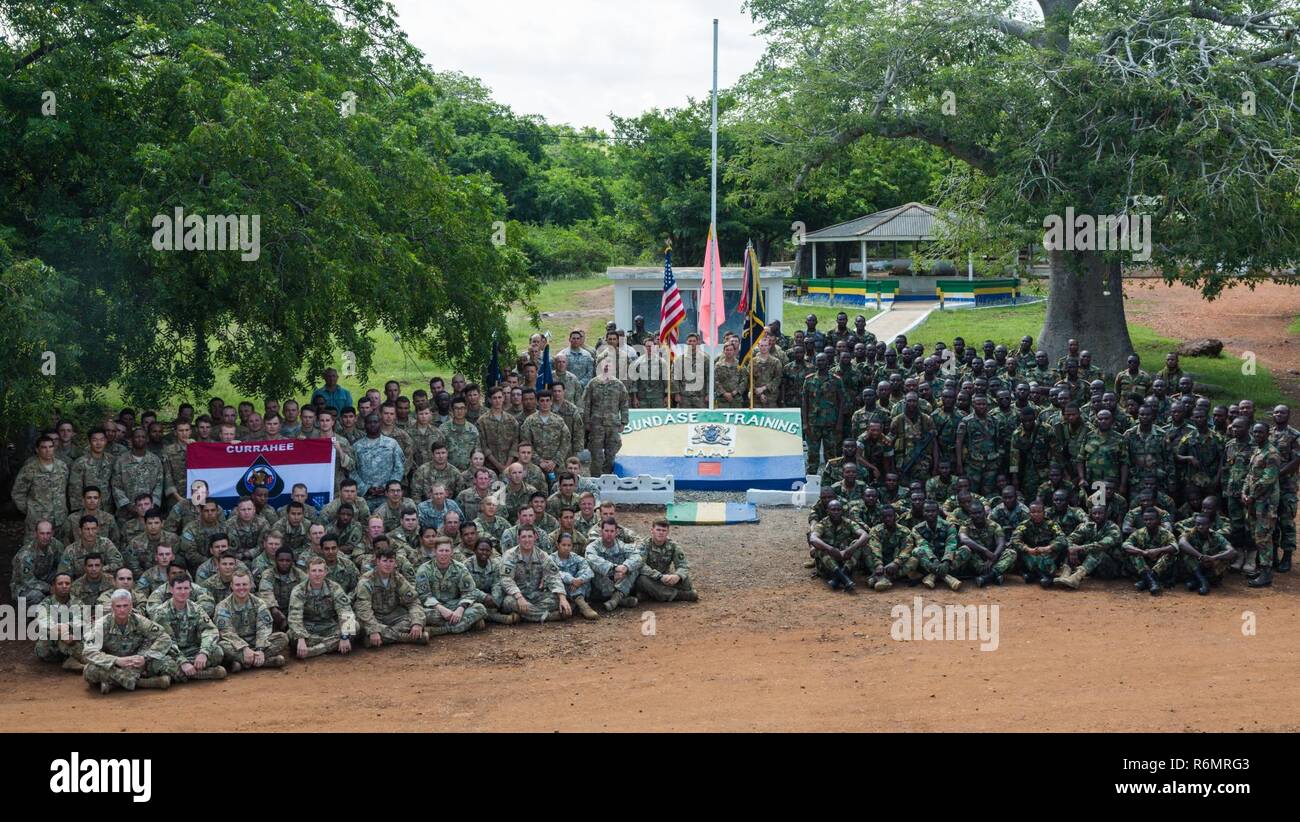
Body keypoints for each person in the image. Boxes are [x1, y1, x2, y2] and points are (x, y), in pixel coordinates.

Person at [83, 589, 179, 694]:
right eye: (118, 606)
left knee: (169, 664)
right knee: (90, 671)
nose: (122, 610)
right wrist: (116, 660)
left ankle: (113, 683)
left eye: (125, 606)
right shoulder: (101, 625)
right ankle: (145, 683)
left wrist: (145, 657)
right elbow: (88, 651)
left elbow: (164, 637)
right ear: (112, 607)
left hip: (137, 663)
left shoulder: (139, 620)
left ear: (131, 606)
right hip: (114, 665)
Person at [150, 572, 227, 682]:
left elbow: (210, 629)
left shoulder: (196, 609)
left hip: (192, 650)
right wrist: (182, 661)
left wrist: (203, 652)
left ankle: (179, 675)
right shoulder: (161, 613)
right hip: (170, 652)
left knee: (217, 651)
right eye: (179, 588)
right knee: (157, 661)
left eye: (186, 588)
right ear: (171, 590)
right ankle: (202, 673)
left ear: (190, 589)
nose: (183, 592)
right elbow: (166, 641)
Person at [215, 571, 289, 670]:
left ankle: (246, 663)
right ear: (232, 586)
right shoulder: (223, 606)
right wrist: (244, 648)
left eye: (244, 584)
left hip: (256, 642)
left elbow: (264, 628)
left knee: (282, 637)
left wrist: (260, 649)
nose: (241, 588)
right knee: (221, 645)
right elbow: (226, 632)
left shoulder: (259, 603)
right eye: (237, 585)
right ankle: (263, 661)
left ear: (250, 585)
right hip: (236, 645)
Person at [414, 536, 488, 635]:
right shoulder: (424, 570)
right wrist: (441, 609)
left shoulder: (460, 568)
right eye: (441, 550)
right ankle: (468, 623)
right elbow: (424, 595)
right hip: (434, 608)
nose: (444, 554)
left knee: (480, 608)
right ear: (435, 551)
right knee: (422, 614)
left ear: (452, 552)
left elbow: (470, 592)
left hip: (454, 605)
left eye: (447, 550)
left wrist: (460, 609)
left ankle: (439, 630)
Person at [354, 548, 428, 646]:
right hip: (374, 616)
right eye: (384, 561)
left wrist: (417, 623)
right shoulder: (366, 581)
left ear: (395, 563)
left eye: (391, 561)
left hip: (393, 615)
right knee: (359, 627)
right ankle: (408, 637)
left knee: (414, 619)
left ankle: (380, 638)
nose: (388, 564)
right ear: (378, 562)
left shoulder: (397, 578)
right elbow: (363, 609)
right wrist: (373, 630)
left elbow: (413, 601)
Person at [289, 556, 357, 658]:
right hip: (309, 629)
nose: (317, 574)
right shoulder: (298, 590)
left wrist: (344, 636)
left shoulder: (334, 587)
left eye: (320, 571)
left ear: (325, 572)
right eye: (313, 571)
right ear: (307, 572)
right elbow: (295, 617)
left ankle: (314, 651)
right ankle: (331, 645)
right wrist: (301, 638)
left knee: (355, 626)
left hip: (330, 627)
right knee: (290, 635)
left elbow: (345, 611)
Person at [499, 526, 570, 622]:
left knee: (556, 599)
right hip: (517, 595)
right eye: (523, 537)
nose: (527, 540)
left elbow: (554, 576)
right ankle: (548, 617)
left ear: (535, 537)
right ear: (518, 538)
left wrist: (562, 597)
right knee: (508, 602)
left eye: (530, 536)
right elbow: (506, 579)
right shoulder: (510, 555)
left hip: (535, 595)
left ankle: (525, 615)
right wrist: (519, 597)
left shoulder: (542, 555)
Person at [11, 434, 71, 536]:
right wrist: (30, 511)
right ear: (37, 450)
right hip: (37, 521)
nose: (48, 450)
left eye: (50, 447)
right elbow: (17, 493)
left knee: (58, 548)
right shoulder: (29, 469)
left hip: (60, 519)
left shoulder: (62, 466)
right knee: (35, 549)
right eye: (44, 447)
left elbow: (66, 489)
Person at [582, 355, 630, 476]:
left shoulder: (619, 385)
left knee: (611, 454)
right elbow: (586, 404)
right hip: (596, 425)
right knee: (596, 455)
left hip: (613, 425)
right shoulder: (592, 384)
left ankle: (608, 478)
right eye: (604, 364)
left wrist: (624, 422)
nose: (607, 366)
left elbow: (624, 404)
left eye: (610, 364)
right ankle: (595, 479)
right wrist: (587, 422)